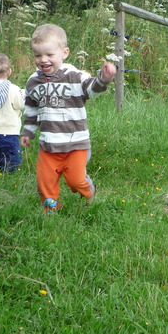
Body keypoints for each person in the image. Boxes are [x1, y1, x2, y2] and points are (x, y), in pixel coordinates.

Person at [20, 23, 116, 213]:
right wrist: (28, 132)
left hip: (76, 143)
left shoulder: (74, 76)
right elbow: (31, 109)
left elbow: (91, 89)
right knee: (45, 182)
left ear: (64, 53)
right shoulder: (33, 82)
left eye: (49, 54)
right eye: (38, 55)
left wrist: (103, 79)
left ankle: (88, 191)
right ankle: (51, 210)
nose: (43, 60)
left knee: (75, 180)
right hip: (48, 145)